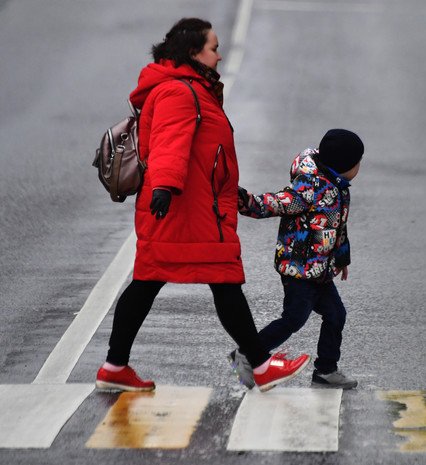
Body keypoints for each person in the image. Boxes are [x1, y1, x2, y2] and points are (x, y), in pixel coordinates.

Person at [95, 17, 309, 393]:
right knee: (222, 282)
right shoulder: (179, 91)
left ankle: (115, 367)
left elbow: (200, 151)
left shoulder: (190, 87)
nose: (220, 54)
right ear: (193, 52)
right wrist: (163, 185)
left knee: (151, 281)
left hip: (192, 204)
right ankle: (259, 367)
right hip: (188, 209)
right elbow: (169, 141)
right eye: (213, 48)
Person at [231, 129, 364, 390]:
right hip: (299, 269)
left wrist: (341, 257)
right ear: (345, 164)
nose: (360, 166)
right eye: (358, 161)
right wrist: (247, 202)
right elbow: (278, 203)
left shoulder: (338, 186)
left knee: (336, 315)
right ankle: (248, 354)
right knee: (294, 319)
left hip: (321, 270)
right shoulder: (310, 188)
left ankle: (326, 371)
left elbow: (338, 226)